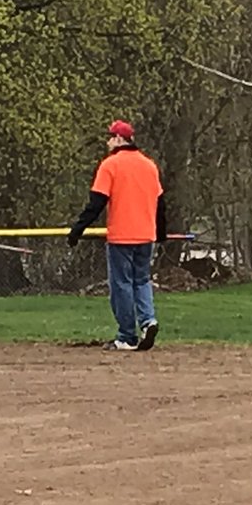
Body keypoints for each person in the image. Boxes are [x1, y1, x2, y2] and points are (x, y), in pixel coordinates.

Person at [67, 120, 166, 351]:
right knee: (141, 281)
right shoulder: (149, 165)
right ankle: (148, 320)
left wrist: (77, 229)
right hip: (146, 235)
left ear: (119, 139)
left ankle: (127, 336)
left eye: (110, 137)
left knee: (121, 284)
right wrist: (160, 232)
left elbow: (96, 203)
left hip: (122, 236)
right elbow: (161, 203)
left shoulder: (110, 165)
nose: (107, 141)